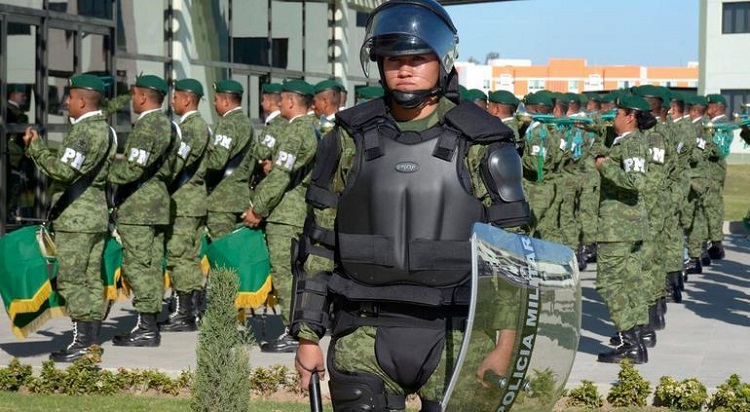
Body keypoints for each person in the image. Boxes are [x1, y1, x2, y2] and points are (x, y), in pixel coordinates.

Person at [291, 1, 529, 409]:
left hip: (455, 335)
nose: (404, 68)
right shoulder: (348, 138)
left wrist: (506, 347)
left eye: (418, 58)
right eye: (393, 59)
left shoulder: (482, 143)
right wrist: (308, 336)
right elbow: (318, 244)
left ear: (443, 60)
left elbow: (511, 256)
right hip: (364, 333)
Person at [23, 74, 115, 361]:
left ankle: (82, 342)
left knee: (72, 281)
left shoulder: (85, 132)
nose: (66, 102)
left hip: (76, 219)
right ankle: (89, 339)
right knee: (89, 279)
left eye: (71, 97)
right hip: (95, 216)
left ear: (83, 102)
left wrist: (36, 148)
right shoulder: (106, 130)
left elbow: (64, 172)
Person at [243, 80, 319, 353]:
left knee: (286, 275)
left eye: (283, 99)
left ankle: (292, 331)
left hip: (286, 213)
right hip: (297, 211)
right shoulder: (310, 129)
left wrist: (258, 209)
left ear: (289, 102)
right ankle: (297, 329)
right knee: (295, 274)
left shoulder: (296, 132)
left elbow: (280, 176)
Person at [108, 74, 179, 347]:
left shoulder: (148, 126)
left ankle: (146, 326)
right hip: (156, 202)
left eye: (134, 94)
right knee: (149, 265)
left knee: (138, 266)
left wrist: (101, 172)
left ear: (143, 96)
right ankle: (147, 322)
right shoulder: (168, 125)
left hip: (139, 206)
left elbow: (132, 168)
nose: (132, 100)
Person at [595, 95, 654, 364]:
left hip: (618, 227)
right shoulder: (625, 142)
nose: (613, 117)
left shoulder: (631, 144)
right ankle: (636, 336)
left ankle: (630, 341)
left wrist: (605, 165)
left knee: (609, 283)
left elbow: (635, 180)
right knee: (629, 281)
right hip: (628, 225)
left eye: (617, 113)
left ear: (630, 116)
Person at [160, 78, 211, 332]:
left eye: (176, 97)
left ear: (187, 99)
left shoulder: (191, 128)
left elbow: (176, 165)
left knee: (180, 256)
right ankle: (191, 308)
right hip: (193, 200)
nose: (173, 101)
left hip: (184, 201)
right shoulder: (199, 125)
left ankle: (184, 312)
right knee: (189, 257)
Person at [204, 80, 255, 239]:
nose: (214, 103)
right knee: (234, 252)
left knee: (221, 254)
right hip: (240, 198)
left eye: (216, 99)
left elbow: (217, 161)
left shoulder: (227, 124)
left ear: (226, 101)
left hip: (221, 201)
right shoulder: (247, 124)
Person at [704, 93, 730, 260]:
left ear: (716, 107)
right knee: (708, 204)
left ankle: (716, 243)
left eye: (709, 105)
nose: (707, 109)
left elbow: (719, 149)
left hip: (714, 168)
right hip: (709, 168)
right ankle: (713, 240)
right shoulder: (714, 123)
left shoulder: (722, 124)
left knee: (713, 204)